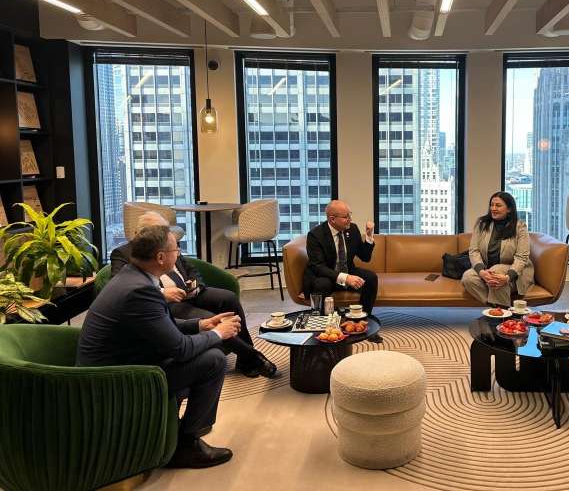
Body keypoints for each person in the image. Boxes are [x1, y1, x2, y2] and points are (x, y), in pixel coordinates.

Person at [78, 225, 240, 468]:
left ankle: (174, 431)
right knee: (213, 360)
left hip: (123, 362)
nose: (179, 253)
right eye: (176, 249)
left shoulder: (133, 277)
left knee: (205, 352)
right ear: (161, 257)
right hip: (115, 379)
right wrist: (218, 333)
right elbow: (181, 349)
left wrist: (201, 324)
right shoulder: (140, 290)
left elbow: (159, 324)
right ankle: (186, 446)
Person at [110, 212, 277, 379]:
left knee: (228, 298)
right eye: (160, 231)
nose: (166, 235)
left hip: (190, 293)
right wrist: (162, 293)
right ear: (143, 234)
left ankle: (244, 359)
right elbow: (123, 285)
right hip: (169, 303)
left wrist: (195, 286)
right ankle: (252, 357)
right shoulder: (125, 254)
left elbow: (191, 269)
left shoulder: (168, 244)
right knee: (210, 318)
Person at [303, 199, 382, 343]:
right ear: (332, 219)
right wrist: (345, 278)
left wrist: (369, 236)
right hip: (326, 274)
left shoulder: (352, 229)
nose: (350, 219)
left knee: (370, 278)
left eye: (350, 215)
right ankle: (325, 329)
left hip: (347, 270)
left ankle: (361, 323)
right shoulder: (315, 235)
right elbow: (317, 266)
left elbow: (365, 257)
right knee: (321, 284)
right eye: (346, 217)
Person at [461, 191, 534, 307]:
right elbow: (474, 251)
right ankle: (497, 308)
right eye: (492, 205)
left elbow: (521, 257)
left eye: (498, 205)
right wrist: (481, 272)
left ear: (509, 209)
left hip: (514, 273)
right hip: (487, 271)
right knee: (468, 277)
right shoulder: (482, 224)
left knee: (497, 271)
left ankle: (499, 312)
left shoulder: (520, 227)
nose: (493, 208)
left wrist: (508, 277)